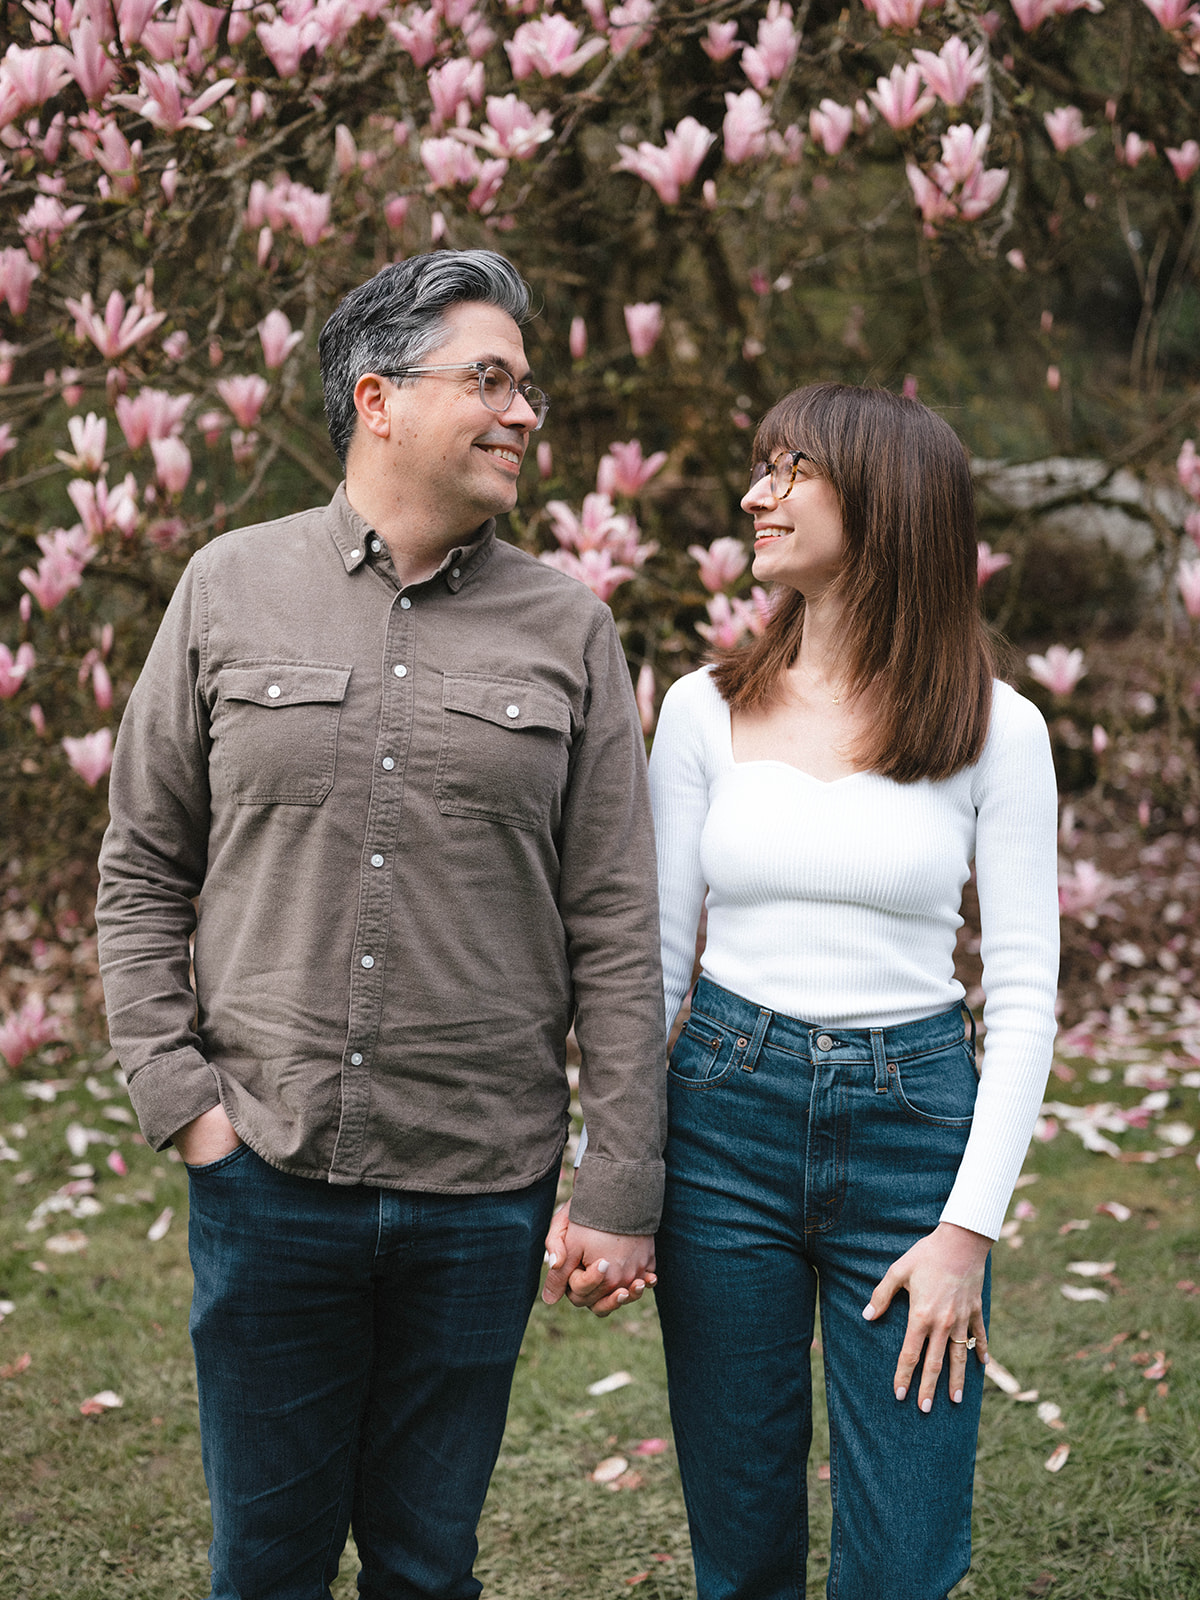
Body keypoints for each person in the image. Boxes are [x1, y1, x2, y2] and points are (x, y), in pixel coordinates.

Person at [95, 248, 666, 1600]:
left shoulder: (570, 629)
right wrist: (187, 1107)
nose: (526, 413)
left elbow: (617, 922)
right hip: (267, 1175)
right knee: (267, 1566)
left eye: (527, 387)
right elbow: (139, 869)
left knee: (425, 1565)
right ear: (378, 399)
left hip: (481, 1191)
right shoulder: (226, 590)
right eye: (491, 380)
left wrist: (620, 1182)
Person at [646, 382, 1059, 1600]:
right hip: (721, 1118)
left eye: (791, 470)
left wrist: (965, 1232)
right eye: (760, 467)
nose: (754, 495)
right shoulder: (701, 710)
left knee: (906, 1552)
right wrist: (613, 1163)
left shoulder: (999, 729)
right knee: (744, 1536)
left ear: (882, 501)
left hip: (913, 1130)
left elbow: (1025, 994)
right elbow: (660, 964)